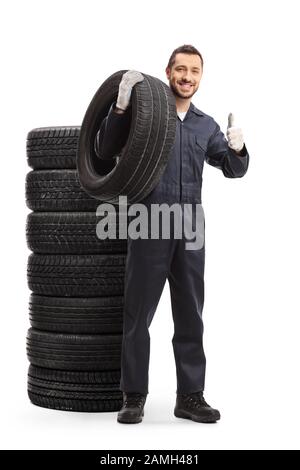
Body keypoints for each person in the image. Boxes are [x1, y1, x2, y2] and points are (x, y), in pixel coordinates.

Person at [94, 44, 250, 424]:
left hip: (190, 228)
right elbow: (104, 148)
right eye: (180, 69)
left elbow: (233, 169)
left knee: (190, 315)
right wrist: (120, 109)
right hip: (149, 221)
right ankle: (133, 396)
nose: (187, 77)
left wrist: (239, 147)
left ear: (200, 77)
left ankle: (190, 397)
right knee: (137, 315)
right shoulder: (147, 116)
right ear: (168, 72)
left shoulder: (205, 125)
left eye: (194, 71)